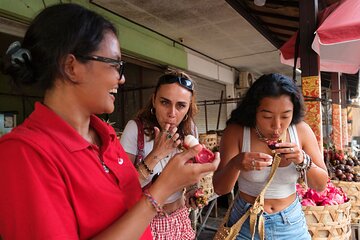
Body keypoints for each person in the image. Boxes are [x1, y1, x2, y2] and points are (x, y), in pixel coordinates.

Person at [0, 3, 219, 240]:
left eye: (181, 105)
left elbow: (125, 206)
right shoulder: (25, 154)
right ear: (71, 67)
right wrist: (163, 187)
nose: (122, 78)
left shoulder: (105, 135)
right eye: (115, 65)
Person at [213, 73, 328, 239]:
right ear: (254, 111)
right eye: (267, 116)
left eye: (285, 116)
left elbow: (320, 185)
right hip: (245, 222)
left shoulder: (301, 131)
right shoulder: (237, 132)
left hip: (290, 224)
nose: (277, 126)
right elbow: (220, 188)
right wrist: (236, 164)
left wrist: (302, 160)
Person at [120, 71, 200, 239]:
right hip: (144, 222)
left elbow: (192, 169)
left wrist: (193, 190)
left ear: (189, 107)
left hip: (179, 218)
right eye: (165, 102)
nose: (172, 113)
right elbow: (122, 188)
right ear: (154, 100)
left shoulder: (189, 129)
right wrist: (157, 152)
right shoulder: (135, 129)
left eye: (180, 105)